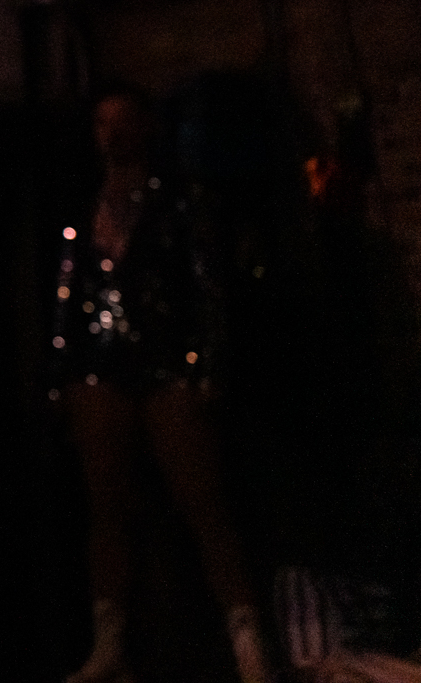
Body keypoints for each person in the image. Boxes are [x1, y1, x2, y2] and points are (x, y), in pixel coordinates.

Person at [53, 87, 271, 683]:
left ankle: (247, 640)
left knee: (204, 501)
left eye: (122, 122)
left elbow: (206, 285)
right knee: (108, 508)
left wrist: (207, 365)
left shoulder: (178, 201)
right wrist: (63, 373)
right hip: (102, 367)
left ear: (146, 127)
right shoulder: (84, 206)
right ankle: (111, 643)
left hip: (167, 362)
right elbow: (68, 293)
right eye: (103, 124)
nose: (112, 135)